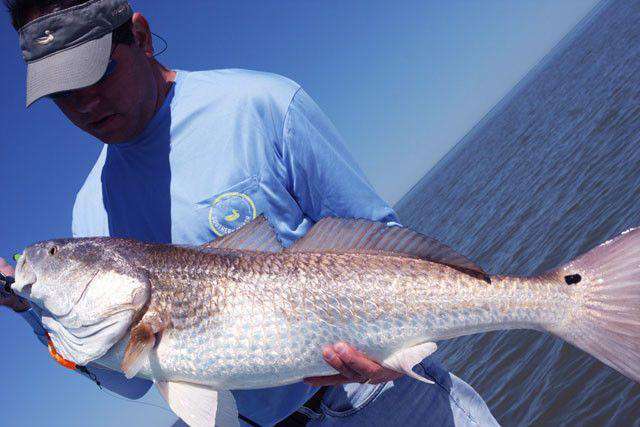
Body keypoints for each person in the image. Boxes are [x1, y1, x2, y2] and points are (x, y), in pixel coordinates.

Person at [2, 1, 497, 425]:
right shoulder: (92, 215)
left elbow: (382, 241)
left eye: (99, 73)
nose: (86, 104)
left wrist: (393, 347)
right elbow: (132, 381)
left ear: (140, 37)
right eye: (63, 95)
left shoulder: (261, 107)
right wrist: (31, 308)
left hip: (385, 402)